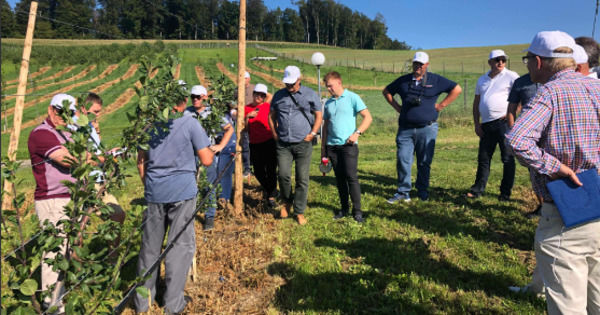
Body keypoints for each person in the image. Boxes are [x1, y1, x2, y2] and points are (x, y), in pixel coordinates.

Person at [506, 30, 600, 315]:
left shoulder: (549, 92)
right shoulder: (596, 89)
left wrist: (555, 168)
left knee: (567, 305)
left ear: (538, 61)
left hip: (564, 211)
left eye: (527, 61)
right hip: (598, 204)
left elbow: (516, 140)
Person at [134, 86, 213, 314]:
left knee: (150, 247)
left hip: (155, 192)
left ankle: (143, 304)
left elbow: (141, 161)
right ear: (182, 103)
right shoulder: (190, 123)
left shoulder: (149, 126)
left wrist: (149, 185)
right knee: (179, 246)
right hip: (182, 192)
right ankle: (173, 303)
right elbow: (206, 160)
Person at [383, 51, 462, 203]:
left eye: (421, 64)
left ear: (427, 64)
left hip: (427, 127)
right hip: (405, 128)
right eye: (415, 63)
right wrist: (397, 107)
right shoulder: (404, 81)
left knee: (424, 160)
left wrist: (441, 105)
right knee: (403, 159)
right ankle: (403, 191)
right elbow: (386, 91)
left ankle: (422, 190)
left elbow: (457, 89)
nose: (418, 66)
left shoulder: (435, 79)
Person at [28, 93, 78, 311]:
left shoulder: (67, 134)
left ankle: (60, 296)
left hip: (68, 198)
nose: (63, 117)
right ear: (51, 110)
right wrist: (87, 154)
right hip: (52, 200)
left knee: (66, 249)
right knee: (55, 251)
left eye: (68, 113)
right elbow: (67, 160)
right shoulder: (42, 134)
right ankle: (51, 303)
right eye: (59, 112)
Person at [268, 65, 322, 225]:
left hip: (303, 143)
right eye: (287, 83)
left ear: (300, 79)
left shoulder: (310, 94)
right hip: (283, 143)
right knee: (283, 175)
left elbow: (319, 115)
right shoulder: (278, 95)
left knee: (302, 178)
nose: (289, 86)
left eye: (292, 83)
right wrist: (274, 133)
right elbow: (271, 116)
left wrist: (312, 133)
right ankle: (286, 203)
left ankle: (299, 211)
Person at [466, 50, 519, 201]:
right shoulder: (482, 80)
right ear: (490, 62)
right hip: (486, 124)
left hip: (504, 123)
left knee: (507, 158)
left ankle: (505, 192)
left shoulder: (511, 76)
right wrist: (477, 124)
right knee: (483, 158)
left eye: (503, 59)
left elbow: (520, 96)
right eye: (497, 60)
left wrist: (511, 114)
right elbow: (476, 103)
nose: (500, 62)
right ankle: (477, 189)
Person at [321, 71, 372, 223]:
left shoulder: (352, 97)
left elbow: (368, 118)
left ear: (339, 82)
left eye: (330, 86)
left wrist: (357, 133)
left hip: (348, 145)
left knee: (351, 177)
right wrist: (323, 149)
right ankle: (344, 209)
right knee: (340, 179)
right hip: (332, 146)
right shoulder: (328, 103)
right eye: (327, 87)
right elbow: (326, 126)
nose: (329, 89)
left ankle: (357, 211)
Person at [185, 85, 234, 230]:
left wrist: (220, 146)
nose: (194, 100)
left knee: (209, 184)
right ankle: (190, 213)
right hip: (190, 154)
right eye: (192, 97)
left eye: (198, 97)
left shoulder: (212, 113)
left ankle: (209, 216)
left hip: (208, 153)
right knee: (190, 183)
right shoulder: (187, 113)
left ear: (205, 97)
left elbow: (229, 128)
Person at [245, 83, 278, 207]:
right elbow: (245, 129)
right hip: (254, 143)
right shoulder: (247, 108)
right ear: (253, 94)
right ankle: (271, 191)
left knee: (271, 170)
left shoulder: (268, 106)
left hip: (269, 141)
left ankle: (271, 196)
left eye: (262, 95)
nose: (259, 97)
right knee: (258, 171)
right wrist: (248, 117)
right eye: (257, 94)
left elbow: (275, 121)